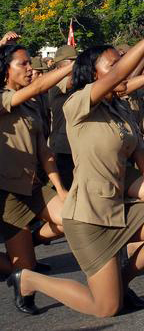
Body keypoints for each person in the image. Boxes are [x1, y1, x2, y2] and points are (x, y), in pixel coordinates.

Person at [6, 12, 144, 317]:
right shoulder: (78, 102)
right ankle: (28, 279)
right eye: (112, 62)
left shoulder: (119, 108)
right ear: (94, 75)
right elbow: (119, 76)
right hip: (89, 219)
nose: (120, 66)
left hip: (119, 209)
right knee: (105, 308)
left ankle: (123, 278)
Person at [0, 44, 73, 277]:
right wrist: (73, 66)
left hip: (34, 188)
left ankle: (29, 241)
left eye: (30, 62)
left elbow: (44, 152)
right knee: (24, 272)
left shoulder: (30, 105)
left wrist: (60, 189)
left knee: (74, 217)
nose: (31, 68)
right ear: (5, 70)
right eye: (24, 63)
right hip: (9, 194)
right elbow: (40, 85)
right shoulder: (2, 97)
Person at [48, 45, 78, 189]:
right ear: (61, 65)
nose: (75, 64)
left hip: (75, 145)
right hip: (62, 147)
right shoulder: (56, 82)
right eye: (71, 61)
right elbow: (72, 82)